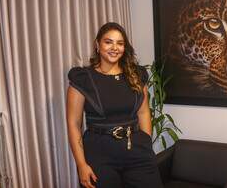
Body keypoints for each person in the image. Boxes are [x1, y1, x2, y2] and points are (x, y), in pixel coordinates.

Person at [66, 22, 163, 188]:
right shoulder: (83, 78)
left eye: (120, 43)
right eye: (108, 42)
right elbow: (74, 124)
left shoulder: (137, 75)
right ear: (97, 45)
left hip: (137, 151)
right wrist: (81, 165)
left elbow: (143, 113)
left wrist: (145, 142)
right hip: (99, 154)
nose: (115, 48)